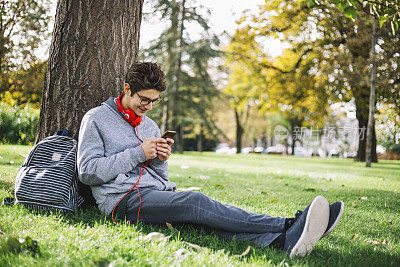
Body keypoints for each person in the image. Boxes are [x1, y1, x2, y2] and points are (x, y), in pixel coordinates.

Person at [77, 62, 344, 258]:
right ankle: (289, 223)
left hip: (154, 193)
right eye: (143, 99)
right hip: (121, 202)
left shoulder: (149, 126)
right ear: (127, 89)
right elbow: (87, 172)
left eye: (154, 102)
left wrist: (160, 159)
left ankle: (281, 241)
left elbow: (159, 177)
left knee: (204, 220)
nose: (147, 107)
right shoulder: (96, 118)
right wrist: (138, 153)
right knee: (196, 202)